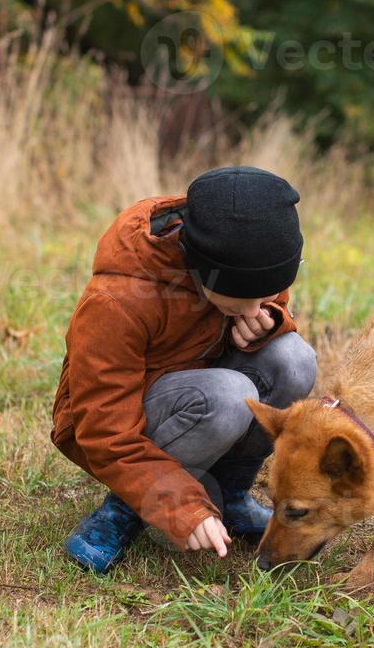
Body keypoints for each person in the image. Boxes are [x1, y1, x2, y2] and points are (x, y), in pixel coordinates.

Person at [51, 166, 318, 573]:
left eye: (263, 296)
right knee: (228, 395)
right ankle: (122, 511)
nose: (253, 310)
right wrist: (180, 505)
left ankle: (228, 496)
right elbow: (101, 427)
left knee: (294, 359)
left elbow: (261, 303)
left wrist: (268, 323)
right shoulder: (118, 299)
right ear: (200, 268)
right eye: (236, 304)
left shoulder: (249, 257)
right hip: (115, 427)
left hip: (197, 391)